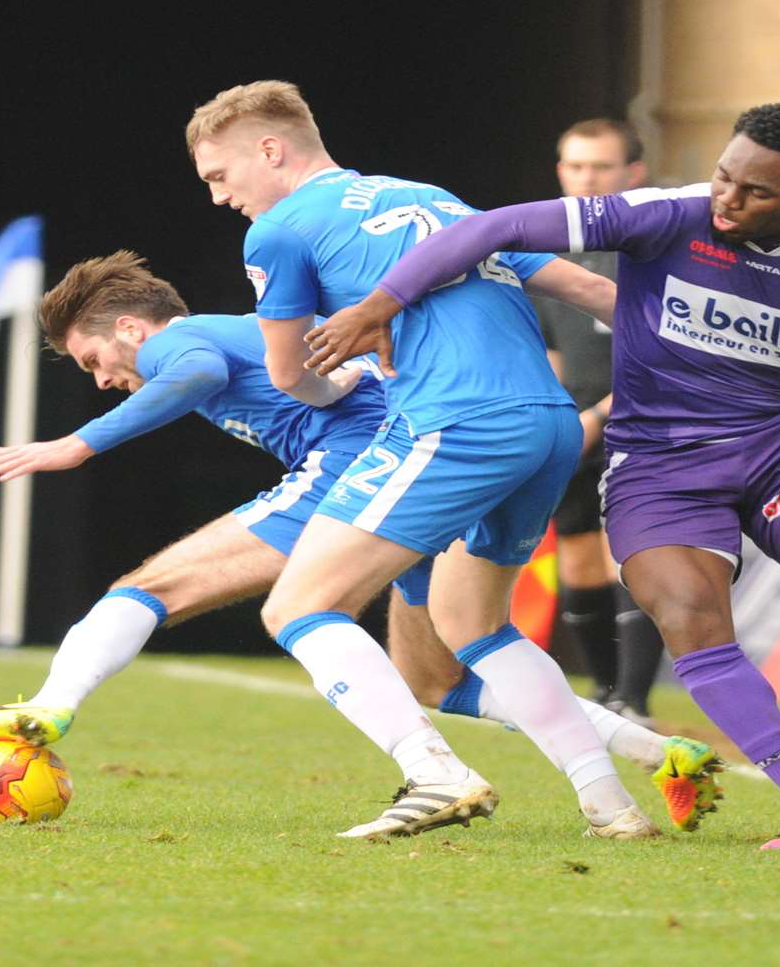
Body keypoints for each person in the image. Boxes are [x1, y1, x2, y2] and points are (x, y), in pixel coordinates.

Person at [306, 103, 780, 852]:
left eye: (756, 193)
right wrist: (380, 305)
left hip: (778, 452)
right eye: (724, 177)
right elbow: (487, 228)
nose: (727, 200)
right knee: (691, 623)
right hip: (657, 468)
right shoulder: (661, 215)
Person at [0, 253, 722, 829]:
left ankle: (51, 712)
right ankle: (654, 758)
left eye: (97, 358)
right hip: (457, 455)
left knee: (160, 587)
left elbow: (190, 376)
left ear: (130, 327)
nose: (103, 378)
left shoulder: (179, 340)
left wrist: (76, 444)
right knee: (438, 673)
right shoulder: (237, 334)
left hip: (374, 461)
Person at [188, 81, 709, 841]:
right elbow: (590, 287)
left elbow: (286, 376)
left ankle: (436, 775)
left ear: (270, 149)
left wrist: (342, 380)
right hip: (549, 426)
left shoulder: (279, 231)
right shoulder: (430, 198)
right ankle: (611, 806)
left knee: (297, 605)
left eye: (219, 177)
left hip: (456, 423)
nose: (219, 198)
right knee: (472, 624)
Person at [539, 119, 665, 723]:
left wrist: (601, 413)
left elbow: (672, 352)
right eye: (576, 166)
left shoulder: (654, 250)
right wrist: (559, 420)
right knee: (579, 560)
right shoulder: (547, 256)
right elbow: (551, 355)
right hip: (577, 428)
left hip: (643, 425)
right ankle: (606, 693)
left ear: (632, 174)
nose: (587, 178)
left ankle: (634, 700)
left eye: (601, 167)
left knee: (632, 556)